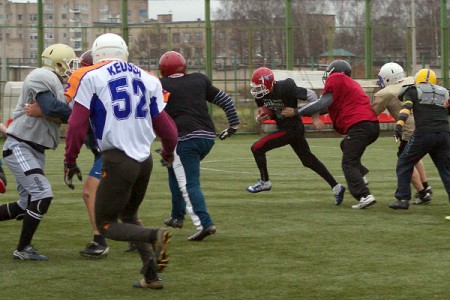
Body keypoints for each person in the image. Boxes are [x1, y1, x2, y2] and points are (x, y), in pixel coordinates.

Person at [64, 33, 178, 289]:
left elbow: (76, 126)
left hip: (117, 160)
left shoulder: (89, 75)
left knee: (105, 224)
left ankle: (155, 236)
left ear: (97, 53)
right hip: (144, 160)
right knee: (129, 214)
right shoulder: (149, 79)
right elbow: (168, 130)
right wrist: (169, 152)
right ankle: (151, 276)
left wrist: (70, 160)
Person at [0, 43, 75, 260]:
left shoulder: (56, 83)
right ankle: (22, 249)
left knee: (26, 204)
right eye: (69, 63)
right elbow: (52, 107)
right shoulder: (42, 75)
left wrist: (56, 114)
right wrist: (61, 113)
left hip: (34, 148)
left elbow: (59, 114)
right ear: (59, 63)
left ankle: (24, 248)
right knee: (43, 194)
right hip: (21, 145)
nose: (70, 68)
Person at [158, 50, 240, 241]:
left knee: (189, 183)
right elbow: (225, 100)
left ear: (162, 70)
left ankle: (204, 223)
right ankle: (177, 216)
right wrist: (233, 124)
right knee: (174, 170)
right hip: (206, 137)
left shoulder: (161, 85)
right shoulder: (199, 80)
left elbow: (154, 113)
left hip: (185, 139)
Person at [283, 60, 379, 209]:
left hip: (360, 126)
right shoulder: (350, 84)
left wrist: (296, 111)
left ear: (335, 72)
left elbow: (322, 103)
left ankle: (364, 195)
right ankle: (362, 175)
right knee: (345, 145)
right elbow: (326, 108)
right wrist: (307, 112)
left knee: (348, 163)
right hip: (372, 126)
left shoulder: (337, 79)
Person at [247, 67, 346, 205]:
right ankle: (337, 187)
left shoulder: (286, 87)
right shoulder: (261, 95)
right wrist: (260, 118)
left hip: (292, 128)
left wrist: (315, 117)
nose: (257, 90)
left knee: (257, 148)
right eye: (256, 87)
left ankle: (265, 182)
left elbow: (311, 95)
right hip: (286, 128)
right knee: (308, 160)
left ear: (269, 83)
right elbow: (267, 112)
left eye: (260, 87)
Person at [388, 68, 449, 210]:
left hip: (424, 134)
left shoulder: (412, 90)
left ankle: (403, 199)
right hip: (444, 134)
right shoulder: (444, 92)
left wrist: (399, 126)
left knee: (404, 162)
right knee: (446, 170)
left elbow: (406, 109)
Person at [373, 62, 432, 205]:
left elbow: (373, 112)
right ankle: (426, 186)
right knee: (415, 157)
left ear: (388, 78)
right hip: (426, 123)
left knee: (404, 161)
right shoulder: (412, 81)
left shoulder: (386, 93)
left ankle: (422, 193)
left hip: (409, 129)